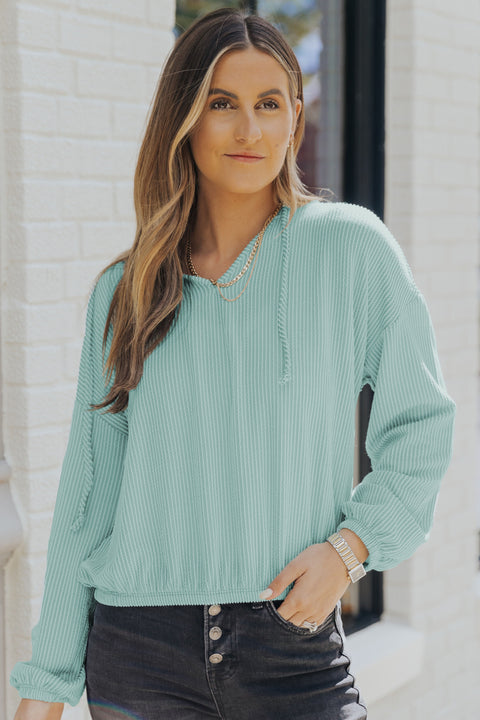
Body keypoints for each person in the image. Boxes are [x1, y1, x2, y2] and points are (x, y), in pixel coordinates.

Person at [10, 7, 456, 720]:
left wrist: (351, 549)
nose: (249, 129)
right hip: (138, 655)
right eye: (222, 103)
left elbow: (421, 426)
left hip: (292, 647)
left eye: (268, 104)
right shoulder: (126, 292)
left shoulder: (351, 251)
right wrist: (46, 685)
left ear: (295, 119)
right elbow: (88, 501)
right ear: (185, 120)